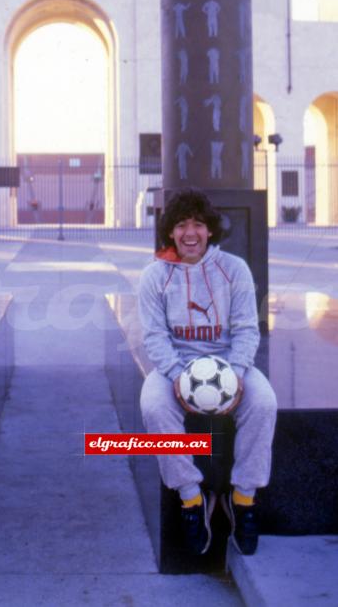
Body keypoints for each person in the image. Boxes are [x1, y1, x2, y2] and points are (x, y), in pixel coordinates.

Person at [138, 188, 277, 557]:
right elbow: (154, 337)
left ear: (210, 231)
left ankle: (243, 497)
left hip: (229, 363)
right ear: (170, 232)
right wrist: (179, 379)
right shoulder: (154, 276)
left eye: (198, 224)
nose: (190, 233)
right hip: (177, 367)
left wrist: (233, 377)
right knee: (153, 407)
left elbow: (248, 329)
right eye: (181, 225)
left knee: (264, 403)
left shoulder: (234, 270)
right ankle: (190, 498)